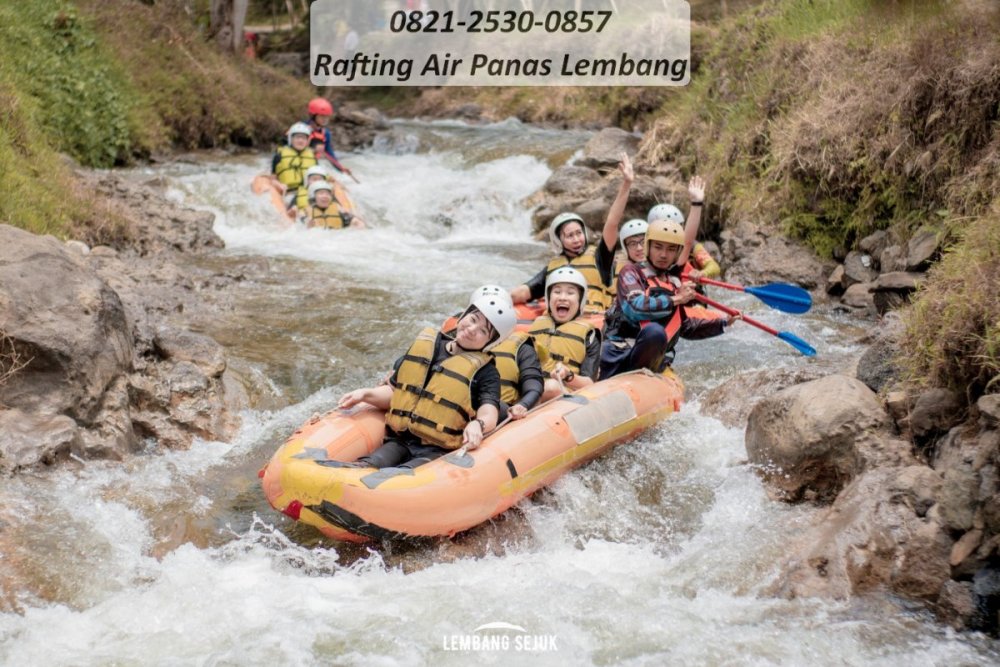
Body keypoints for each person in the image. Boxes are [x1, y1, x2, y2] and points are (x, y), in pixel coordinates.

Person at [337, 290, 515, 469]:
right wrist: (365, 394)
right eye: (473, 319)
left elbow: (489, 413)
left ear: (491, 342)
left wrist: (479, 424)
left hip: (437, 451)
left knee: (401, 478)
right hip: (401, 440)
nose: (471, 329)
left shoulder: (487, 372)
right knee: (368, 465)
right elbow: (395, 393)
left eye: (483, 331)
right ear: (464, 315)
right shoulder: (429, 347)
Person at [600, 180, 740, 379]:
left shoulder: (673, 283)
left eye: (671, 249)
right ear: (648, 247)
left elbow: (684, 326)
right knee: (655, 332)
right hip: (619, 354)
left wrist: (724, 323)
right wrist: (676, 299)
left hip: (647, 356)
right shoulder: (631, 272)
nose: (664, 255)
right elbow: (634, 306)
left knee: (657, 334)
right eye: (658, 247)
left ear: (677, 253)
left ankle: (651, 371)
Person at [510, 153, 635, 315]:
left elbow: (612, 223)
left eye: (578, 233)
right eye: (569, 236)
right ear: (558, 240)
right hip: (560, 321)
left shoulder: (600, 257)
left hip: (592, 318)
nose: (576, 239)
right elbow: (523, 292)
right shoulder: (553, 268)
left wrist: (626, 184)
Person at [527, 267, 602, 402]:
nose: (562, 297)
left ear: (580, 300)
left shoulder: (589, 336)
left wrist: (568, 375)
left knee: (552, 387)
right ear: (549, 298)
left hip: (562, 393)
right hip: (530, 389)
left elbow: (589, 383)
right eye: (557, 292)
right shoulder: (536, 326)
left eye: (570, 293)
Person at [646, 201, 721, 279]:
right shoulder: (645, 247)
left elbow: (714, 267)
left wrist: (702, 273)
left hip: (685, 283)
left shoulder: (692, 245)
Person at [270, 122, 317, 216]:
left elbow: (318, 176)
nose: (300, 140)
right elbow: (273, 179)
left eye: (303, 138)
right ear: (291, 139)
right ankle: (295, 214)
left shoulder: (312, 156)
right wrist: (279, 185)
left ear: (307, 140)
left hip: (309, 191)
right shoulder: (279, 156)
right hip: (290, 192)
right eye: (297, 137)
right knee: (299, 203)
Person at [305, 97, 355, 181]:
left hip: (313, 165)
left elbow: (329, 154)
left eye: (327, 116)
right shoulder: (300, 129)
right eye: (322, 116)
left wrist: (341, 168)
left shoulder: (326, 133)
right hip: (299, 164)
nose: (325, 119)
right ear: (313, 116)